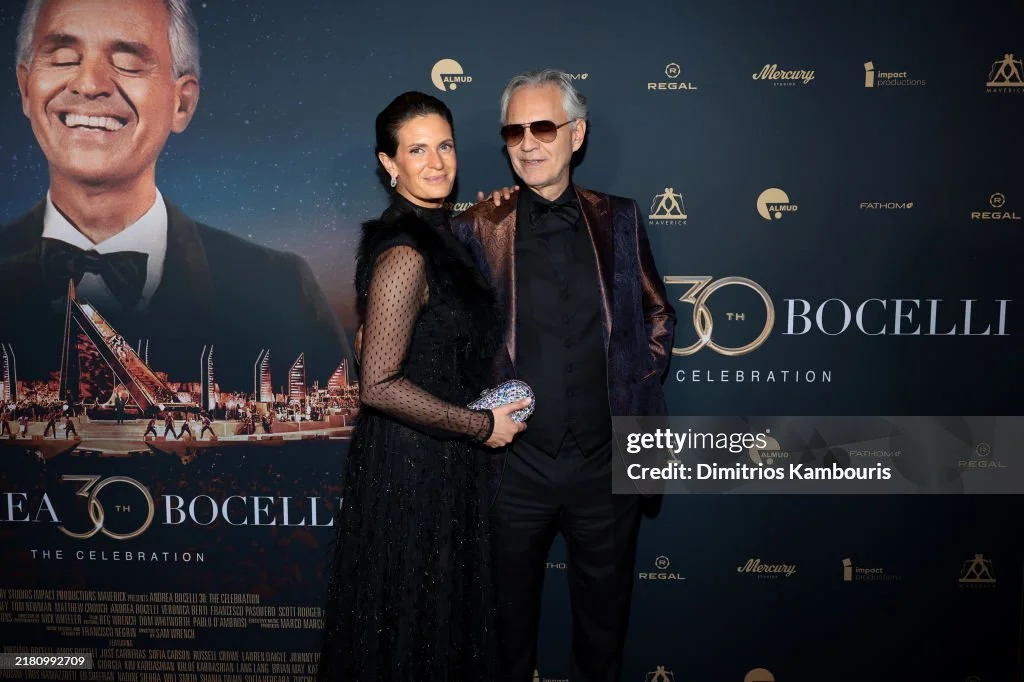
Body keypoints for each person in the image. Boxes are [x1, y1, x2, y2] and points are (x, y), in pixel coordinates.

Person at [450, 69, 676, 682]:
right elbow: (449, 339)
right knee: (502, 639)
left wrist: (632, 378)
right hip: (511, 472)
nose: (527, 143)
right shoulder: (477, 228)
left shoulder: (620, 218)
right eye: (514, 131)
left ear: (576, 135)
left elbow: (658, 312)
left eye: (543, 127)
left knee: (603, 639)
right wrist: (478, 413)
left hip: (607, 468)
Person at [0, 0, 347, 399]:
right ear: (26, 88)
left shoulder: (281, 290)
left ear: (181, 103)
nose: (89, 84)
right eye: (63, 59)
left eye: (128, 63)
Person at [317, 91, 530, 682]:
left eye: (445, 146)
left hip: (441, 457)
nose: (436, 162)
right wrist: (481, 426)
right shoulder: (406, 251)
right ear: (389, 164)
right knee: (417, 628)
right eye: (417, 150)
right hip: (414, 466)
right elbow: (378, 385)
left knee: (436, 625)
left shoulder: (440, 236)